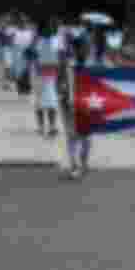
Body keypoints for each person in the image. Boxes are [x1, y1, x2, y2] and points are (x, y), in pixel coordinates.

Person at [58, 35, 92, 180]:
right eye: (82, 49)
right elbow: (59, 83)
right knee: (72, 136)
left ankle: (83, 163)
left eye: (86, 49)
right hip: (69, 105)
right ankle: (74, 165)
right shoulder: (67, 66)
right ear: (76, 50)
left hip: (86, 105)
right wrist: (64, 92)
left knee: (86, 137)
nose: (85, 52)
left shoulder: (91, 67)